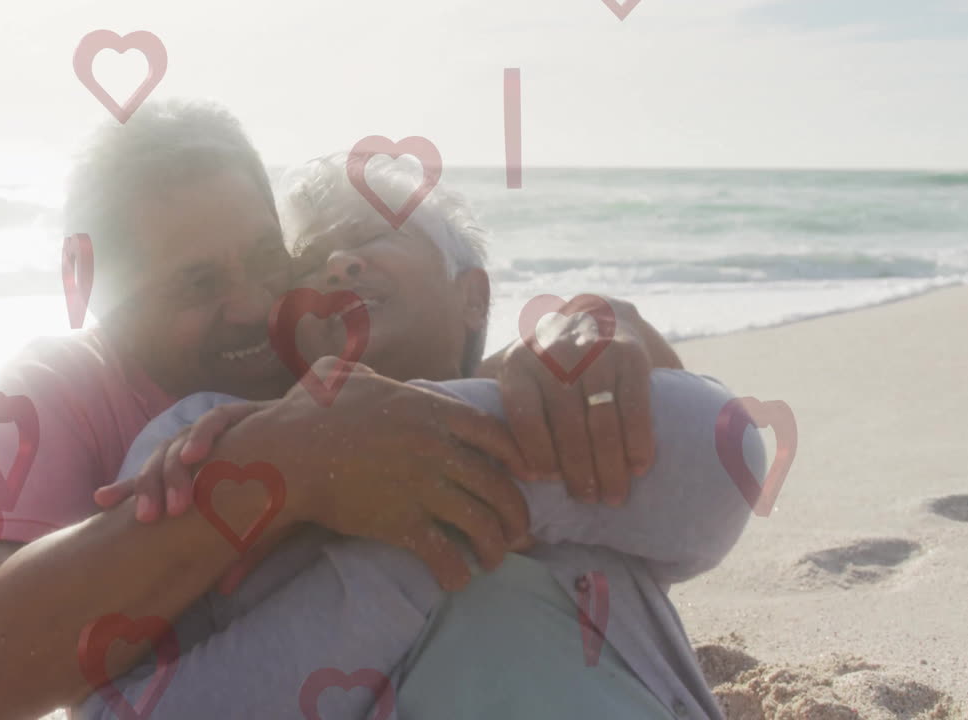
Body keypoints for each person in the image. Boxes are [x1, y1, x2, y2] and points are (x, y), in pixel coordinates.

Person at [0, 100, 700, 719]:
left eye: (270, 259)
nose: (251, 305)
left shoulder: (313, 349)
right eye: (196, 285)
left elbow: (605, 446)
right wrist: (281, 468)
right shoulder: (66, 386)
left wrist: (608, 327)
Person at [78, 154, 763, 719]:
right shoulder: (206, 435)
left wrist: (382, 462)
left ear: (473, 297)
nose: (339, 264)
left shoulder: (554, 392)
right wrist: (341, 480)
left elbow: (726, 458)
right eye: (311, 260)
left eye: (374, 235)